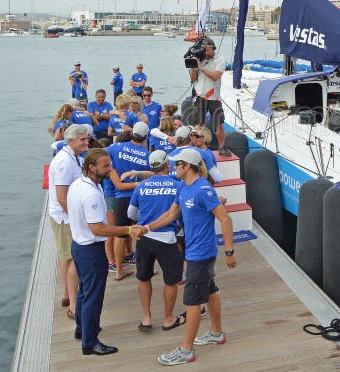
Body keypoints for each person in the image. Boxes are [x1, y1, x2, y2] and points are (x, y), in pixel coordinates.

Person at [138, 147, 235, 366]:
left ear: (187, 166)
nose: (172, 167)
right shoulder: (182, 186)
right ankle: (217, 333)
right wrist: (147, 228)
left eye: (176, 164)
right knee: (209, 290)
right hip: (193, 251)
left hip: (202, 253)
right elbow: (171, 214)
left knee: (192, 302)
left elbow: (225, 220)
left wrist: (229, 251)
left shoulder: (203, 189)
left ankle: (186, 350)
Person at [68, 148, 147, 356]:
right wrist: (129, 229)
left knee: (85, 291)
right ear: (91, 167)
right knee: (94, 296)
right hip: (91, 250)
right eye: (105, 166)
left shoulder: (78, 184)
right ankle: (90, 342)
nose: (110, 168)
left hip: (78, 245)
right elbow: (99, 229)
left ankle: (81, 329)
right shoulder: (91, 194)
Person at [128, 151, 185, 331]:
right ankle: (168, 319)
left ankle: (146, 318)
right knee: (171, 280)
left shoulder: (141, 186)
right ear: (167, 165)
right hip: (167, 239)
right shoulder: (177, 186)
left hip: (144, 238)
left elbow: (131, 214)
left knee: (144, 277)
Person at [48, 123, 92, 321]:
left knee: (66, 255)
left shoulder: (73, 157)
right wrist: (76, 220)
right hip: (64, 218)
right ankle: (72, 301)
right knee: (70, 256)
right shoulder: (65, 162)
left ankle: (67, 294)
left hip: (65, 216)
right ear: (71, 140)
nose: (86, 142)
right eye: (82, 139)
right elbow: (62, 196)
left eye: (87, 138)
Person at [107, 121, 151, 281]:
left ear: (132, 134)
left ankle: (119, 270)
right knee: (143, 231)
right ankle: (144, 268)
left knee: (120, 234)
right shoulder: (147, 155)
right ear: (146, 137)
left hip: (121, 197)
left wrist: (112, 171)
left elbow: (100, 155)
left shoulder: (116, 147)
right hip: (141, 197)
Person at [187, 38, 231, 156]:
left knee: (218, 123)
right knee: (198, 124)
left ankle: (222, 147)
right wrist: (193, 66)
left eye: (208, 49)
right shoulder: (200, 59)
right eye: (204, 50)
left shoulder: (220, 60)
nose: (206, 52)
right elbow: (193, 79)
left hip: (214, 97)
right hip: (200, 95)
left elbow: (215, 76)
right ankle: (196, 145)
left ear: (213, 48)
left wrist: (201, 68)